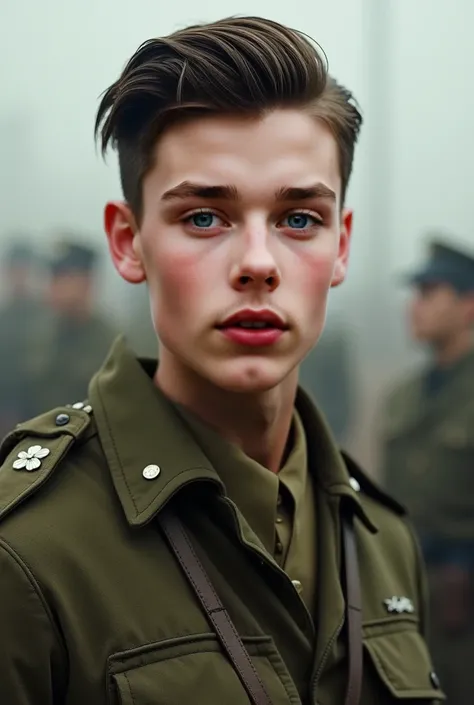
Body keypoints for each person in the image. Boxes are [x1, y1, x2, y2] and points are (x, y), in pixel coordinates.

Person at [0, 17, 443, 705]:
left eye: (300, 219)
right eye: (204, 217)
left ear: (342, 247)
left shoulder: (381, 538)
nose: (259, 264)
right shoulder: (30, 551)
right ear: (128, 242)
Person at [380, 237, 474, 705]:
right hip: (407, 605)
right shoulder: (403, 397)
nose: (413, 307)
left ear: (468, 305)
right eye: (414, 294)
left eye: (429, 293)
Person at [27, 239, 117, 415]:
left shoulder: (111, 345)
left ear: (87, 283)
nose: (55, 288)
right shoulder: (40, 338)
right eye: (54, 279)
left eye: (65, 279)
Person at [0, 240, 47, 434]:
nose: (20, 276)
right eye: (15, 270)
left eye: (24, 270)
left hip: (40, 410)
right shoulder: (4, 318)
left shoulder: (46, 317)